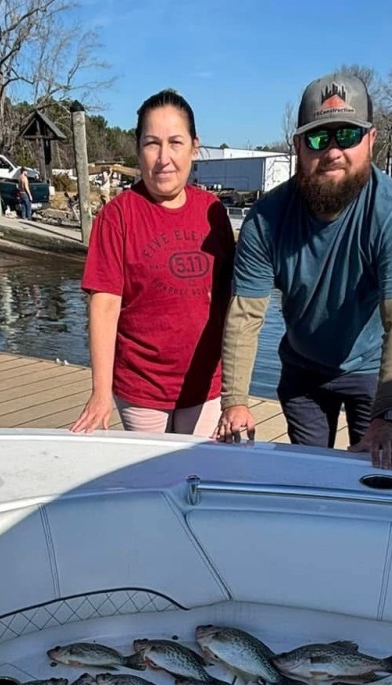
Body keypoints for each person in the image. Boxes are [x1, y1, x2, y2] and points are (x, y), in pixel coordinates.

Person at [213, 72, 392, 470]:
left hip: (369, 370)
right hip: (303, 371)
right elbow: (246, 317)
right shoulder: (265, 219)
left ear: (371, 140)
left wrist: (390, 414)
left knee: (375, 472)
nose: (332, 151)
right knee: (311, 473)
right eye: (317, 138)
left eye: (346, 136)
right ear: (297, 145)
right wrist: (236, 402)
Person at [70, 90, 235, 437]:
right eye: (151, 143)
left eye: (175, 142)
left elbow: (234, 301)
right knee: (154, 480)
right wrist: (100, 393)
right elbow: (104, 307)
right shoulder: (117, 217)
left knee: (199, 476)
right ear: (138, 148)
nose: (163, 158)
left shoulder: (214, 212)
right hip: (141, 387)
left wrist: (238, 393)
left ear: (194, 146)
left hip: (206, 383)